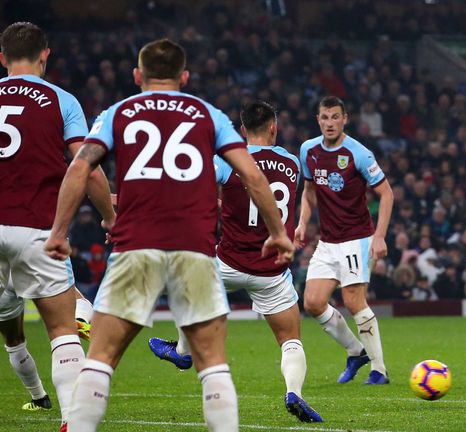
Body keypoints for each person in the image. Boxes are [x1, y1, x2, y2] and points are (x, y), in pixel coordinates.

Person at [43, 38, 293, 431]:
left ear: (137, 75)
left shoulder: (118, 112)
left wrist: (60, 230)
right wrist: (278, 232)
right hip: (193, 251)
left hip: (135, 247)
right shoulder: (209, 115)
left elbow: (79, 168)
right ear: (185, 77)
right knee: (211, 362)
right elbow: (252, 174)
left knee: (101, 355)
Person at [147, 100, 323, 422]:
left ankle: (183, 352)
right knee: (290, 340)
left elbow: (198, 188)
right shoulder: (291, 162)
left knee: (185, 284)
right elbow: (260, 198)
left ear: (242, 130)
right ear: (274, 127)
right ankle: (294, 392)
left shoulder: (226, 160)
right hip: (271, 271)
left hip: (226, 263)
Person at [0, 22, 114, 425]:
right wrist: (110, 217)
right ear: (45, 55)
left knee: (9, 325)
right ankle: (73, 421)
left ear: (2, 58)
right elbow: (88, 168)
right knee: (63, 330)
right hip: (36, 228)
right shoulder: (60, 100)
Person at [295, 96, 394, 385]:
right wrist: (302, 222)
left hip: (358, 239)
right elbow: (309, 190)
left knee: (353, 301)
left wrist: (379, 236)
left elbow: (386, 194)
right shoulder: (308, 150)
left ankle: (379, 370)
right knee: (312, 303)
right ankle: (356, 351)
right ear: (318, 120)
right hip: (327, 241)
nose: (329, 123)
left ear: (344, 119)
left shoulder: (358, 154)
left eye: (335, 117)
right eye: (324, 117)